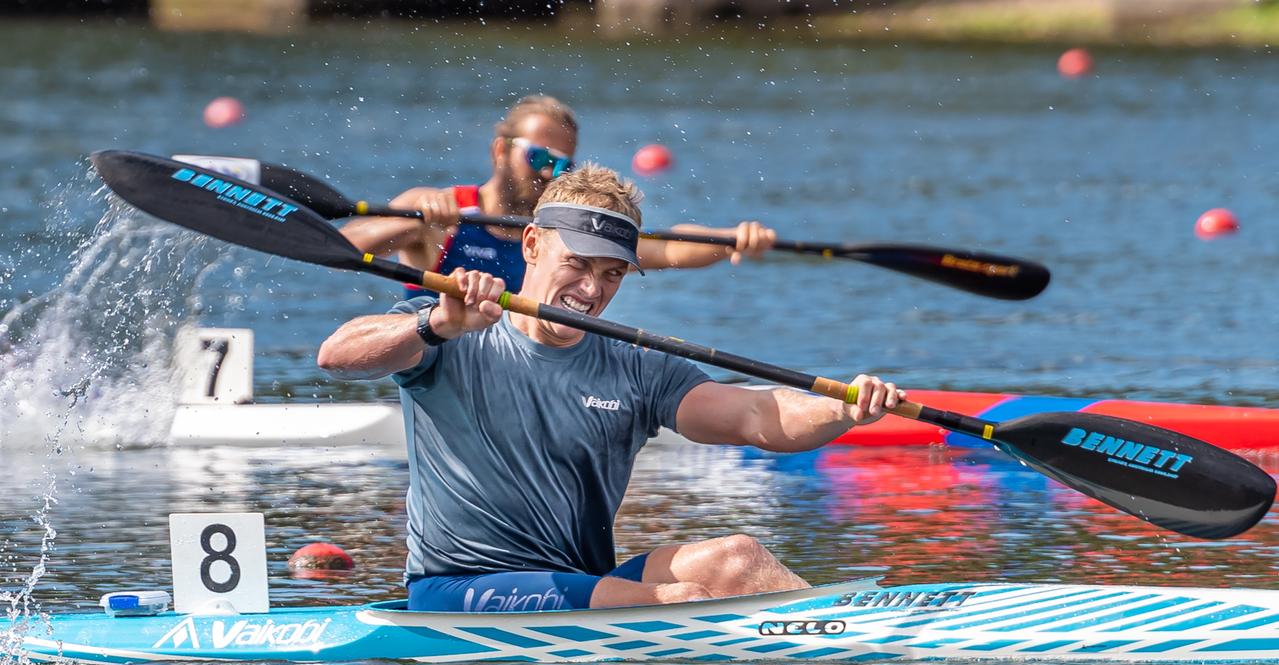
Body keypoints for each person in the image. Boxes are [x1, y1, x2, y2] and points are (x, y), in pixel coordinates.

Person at [318, 164, 904, 612]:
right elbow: (337, 355)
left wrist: (839, 409)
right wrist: (437, 324)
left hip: (583, 587)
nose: (592, 290)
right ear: (532, 246)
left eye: (612, 273)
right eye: (579, 264)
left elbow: (752, 414)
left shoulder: (636, 366)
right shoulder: (456, 327)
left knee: (738, 559)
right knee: (682, 607)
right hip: (460, 589)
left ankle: (862, 638)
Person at [340, 95, 778, 298]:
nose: (547, 172)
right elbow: (341, 249)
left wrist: (730, 238)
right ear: (499, 149)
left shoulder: (565, 228)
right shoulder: (438, 207)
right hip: (438, 373)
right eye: (537, 156)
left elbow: (664, 246)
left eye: (562, 164)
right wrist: (414, 221)